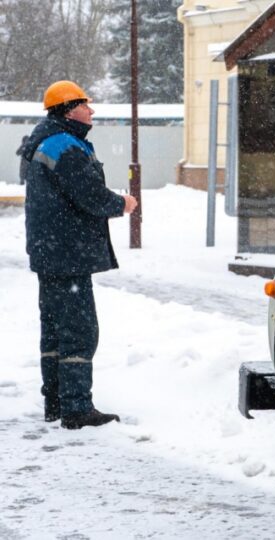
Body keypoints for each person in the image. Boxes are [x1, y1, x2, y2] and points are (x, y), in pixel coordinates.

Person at [23, 80, 138, 430]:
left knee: (55, 330)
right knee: (78, 330)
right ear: (69, 109)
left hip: (52, 251)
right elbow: (88, 194)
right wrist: (122, 203)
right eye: (86, 105)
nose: (91, 111)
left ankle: (55, 403)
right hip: (67, 253)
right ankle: (76, 408)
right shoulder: (65, 145)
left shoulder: (46, 141)